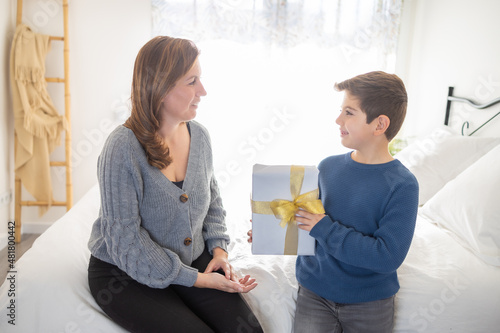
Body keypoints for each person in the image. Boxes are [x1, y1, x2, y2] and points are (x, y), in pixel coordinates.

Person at [88, 36, 263, 333]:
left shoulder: (200, 136)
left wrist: (219, 253)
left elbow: (213, 202)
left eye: (200, 79)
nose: (203, 91)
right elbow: (126, 241)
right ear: (160, 86)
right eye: (192, 81)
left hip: (191, 261)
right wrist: (197, 279)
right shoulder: (122, 148)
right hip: (123, 272)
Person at [249, 71, 418, 332]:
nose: (338, 119)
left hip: (370, 303)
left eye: (349, 113)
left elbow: (387, 257)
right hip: (315, 291)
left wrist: (324, 228)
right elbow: (309, 221)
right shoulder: (327, 167)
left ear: (379, 125)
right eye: (341, 110)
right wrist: (268, 230)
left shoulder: (403, 185)